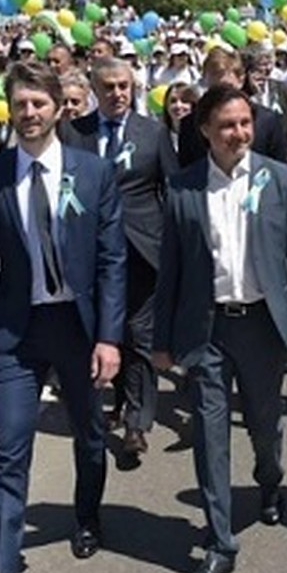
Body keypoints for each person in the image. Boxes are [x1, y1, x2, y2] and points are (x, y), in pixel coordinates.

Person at [0, 61, 126, 573]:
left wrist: (109, 337)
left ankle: (87, 514)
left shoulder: (93, 172)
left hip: (78, 331)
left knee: (90, 434)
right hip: (16, 333)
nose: (29, 114)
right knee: (10, 449)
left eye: (38, 104)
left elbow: (111, 262)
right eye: (20, 105)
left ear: (58, 107)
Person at [152, 86, 287, 573]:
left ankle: (269, 479)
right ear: (204, 130)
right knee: (209, 433)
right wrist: (162, 341)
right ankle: (221, 542)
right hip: (206, 331)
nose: (238, 134)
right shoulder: (182, 189)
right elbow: (171, 273)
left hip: (262, 328)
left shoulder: (281, 179)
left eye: (245, 122)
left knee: (265, 426)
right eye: (227, 125)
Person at [66, 57, 177, 466]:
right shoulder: (72, 133)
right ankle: (111, 401)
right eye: (108, 86)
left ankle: (137, 423)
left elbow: (172, 191)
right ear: (95, 89)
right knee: (104, 331)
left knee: (139, 335)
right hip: (90, 254)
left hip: (142, 251)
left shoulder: (153, 133)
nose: (117, 94)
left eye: (123, 86)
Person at [178, 48, 287, 166]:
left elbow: (279, 171)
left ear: (241, 80)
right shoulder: (190, 125)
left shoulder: (268, 121)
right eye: (215, 88)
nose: (221, 95)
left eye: (227, 87)